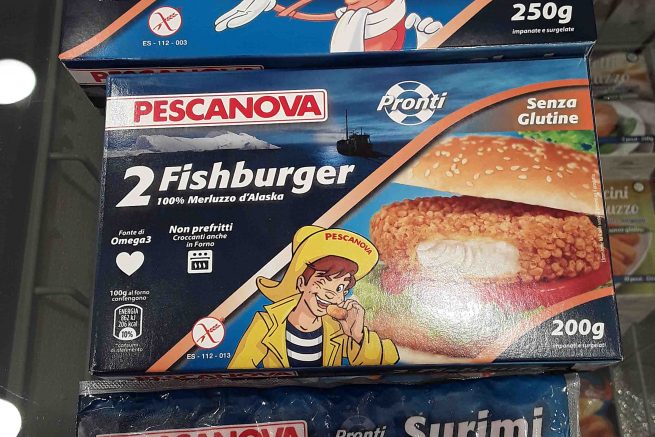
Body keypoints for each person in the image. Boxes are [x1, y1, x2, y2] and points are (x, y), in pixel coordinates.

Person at [228, 225, 398, 369]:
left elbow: (388, 362)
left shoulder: (338, 328)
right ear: (302, 283)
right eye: (323, 281)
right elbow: (238, 368)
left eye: (340, 287)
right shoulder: (267, 324)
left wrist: (358, 336)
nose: (331, 293)